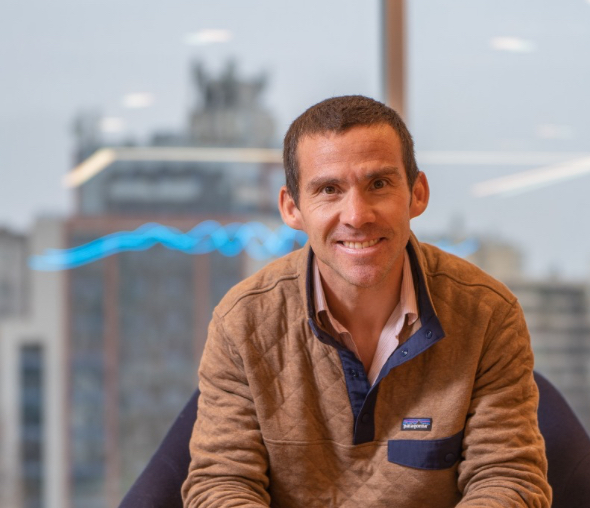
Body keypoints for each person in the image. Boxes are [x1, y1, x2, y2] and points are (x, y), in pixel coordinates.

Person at [182, 95, 552, 507]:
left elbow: (507, 478)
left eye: (378, 184)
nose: (357, 216)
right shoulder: (243, 320)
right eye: (329, 190)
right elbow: (222, 485)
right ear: (292, 208)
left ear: (417, 193)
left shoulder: (487, 313)